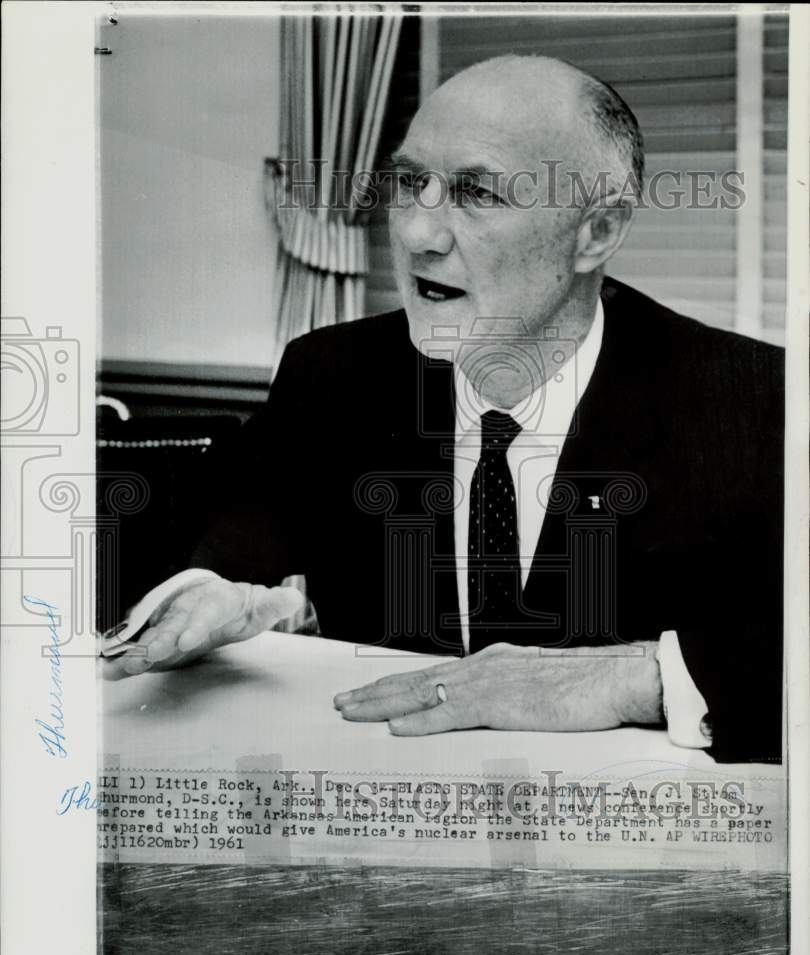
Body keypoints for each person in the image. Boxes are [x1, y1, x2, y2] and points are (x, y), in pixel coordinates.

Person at [103, 56, 784, 766]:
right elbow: (230, 550)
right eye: (409, 183)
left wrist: (637, 676)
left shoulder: (753, 400)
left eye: (476, 193)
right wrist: (218, 597)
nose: (417, 234)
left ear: (596, 233)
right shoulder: (331, 375)